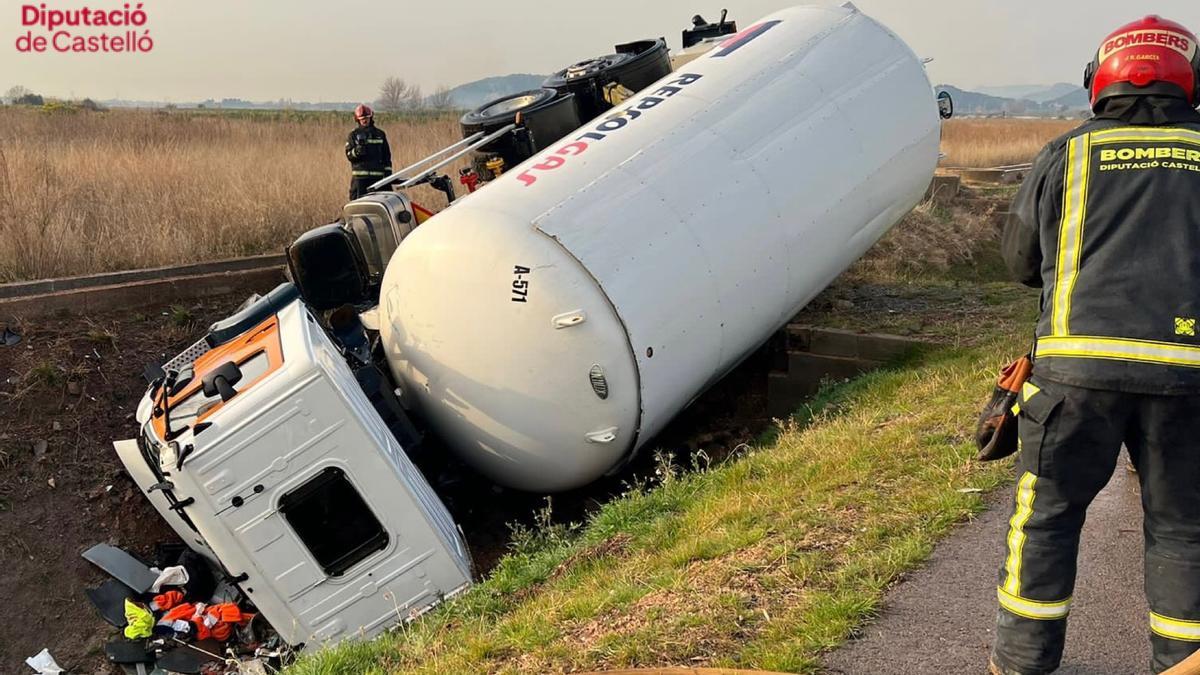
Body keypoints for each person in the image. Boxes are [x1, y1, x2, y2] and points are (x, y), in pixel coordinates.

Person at [992, 15, 1200, 675]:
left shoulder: (1065, 154)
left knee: (1048, 515)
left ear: (1097, 81)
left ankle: (1021, 662)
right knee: (1184, 529)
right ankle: (1182, 663)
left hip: (1073, 380)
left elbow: (1021, 261)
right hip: (1187, 381)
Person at [345, 104, 392, 201]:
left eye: (366, 118)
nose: (365, 120)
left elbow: (387, 156)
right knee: (358, 207)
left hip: (378, 179)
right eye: (362, 118)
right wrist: (357, 152)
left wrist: (388, 174)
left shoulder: (380, 134)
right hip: (360, 180)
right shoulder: (353, 135)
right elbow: (349, 155)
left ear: (371, 117)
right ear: (357, 120)